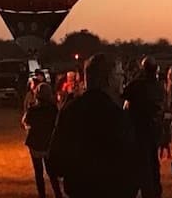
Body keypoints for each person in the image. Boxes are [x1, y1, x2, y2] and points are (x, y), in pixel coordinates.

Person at [48, 54, 139, 198]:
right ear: (109, 79)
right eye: (120, 74)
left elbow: (54, 161)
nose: (123, 78)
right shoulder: (116, 115)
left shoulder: (70, 111)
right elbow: (131, 163)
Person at [124, 57, 167, 198]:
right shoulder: (160, 87)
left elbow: (124, 94)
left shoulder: (137, 85)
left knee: (143, 167)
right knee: (153, 165)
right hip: (153, 132)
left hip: (139, 131)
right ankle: (154, 191)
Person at [22, 83, 60, 198]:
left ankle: (42, 195)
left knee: (38, 173)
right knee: (52, 172)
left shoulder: (33, 109)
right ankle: (58, 194)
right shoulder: (53, 109)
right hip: (49, 143)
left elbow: (26, 122)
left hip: (35, 144)